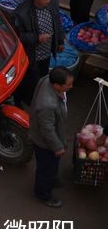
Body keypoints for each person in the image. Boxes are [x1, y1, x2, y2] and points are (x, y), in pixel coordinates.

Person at [12, 0, 64, 106]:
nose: (49, 1)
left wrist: (59, 41)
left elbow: (57, 22)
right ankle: (27, 100)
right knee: (31, 79)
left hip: (46, 52)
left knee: (43, 76)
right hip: (32, 54)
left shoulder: (53, 3)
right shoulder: (21, 13)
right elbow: (17, 36)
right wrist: (36, 38)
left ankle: (37, 95)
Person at [28, 66, 73, 208]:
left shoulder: (47, 78)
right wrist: (58, 147)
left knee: (52, 164)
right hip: (44, 142)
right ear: (56, 85)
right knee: (45, 168)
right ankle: (43, 194)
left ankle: (52, 179)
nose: (71, 87)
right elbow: (47, 130)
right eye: (68, 85)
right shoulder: (47, 104)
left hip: (50, 137)